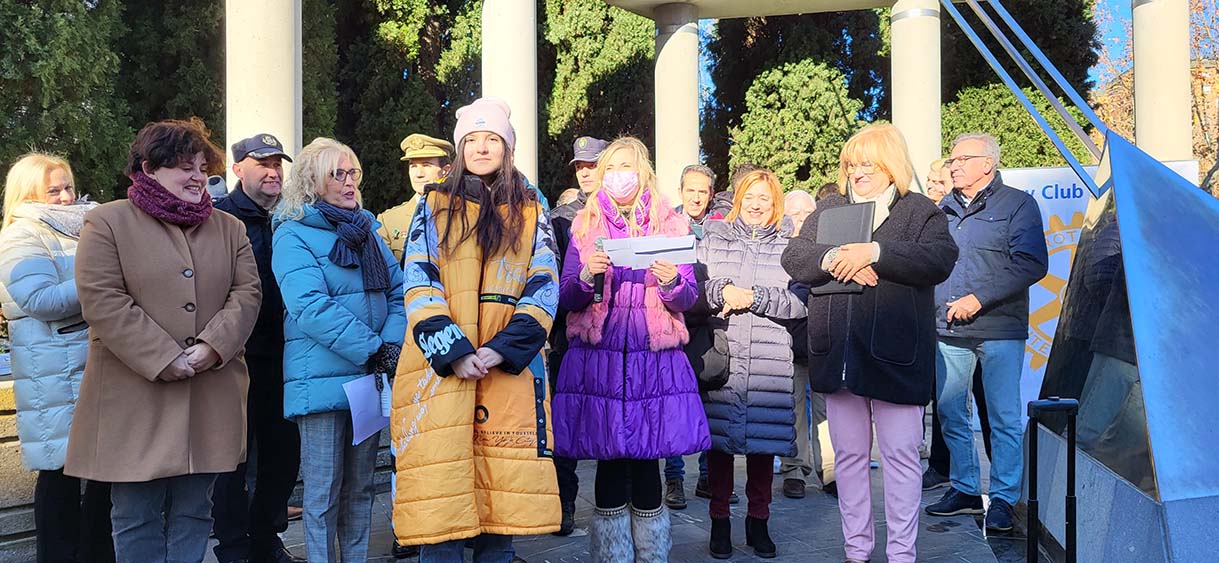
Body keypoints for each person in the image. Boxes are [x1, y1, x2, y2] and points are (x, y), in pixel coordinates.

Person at [66, 118, 262, 563]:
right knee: (135, 515)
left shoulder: (230, 228)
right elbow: (102, 298)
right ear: (148, 168)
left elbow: (248, 294)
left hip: (210, 390)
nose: (197, 176)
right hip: (134, 395)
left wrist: (213, 347)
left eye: (201, 166)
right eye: (183, 167)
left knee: (197, 511)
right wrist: (162, 357)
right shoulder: (107, 222)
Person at [390, 97, 560, 563]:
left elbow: (544, 284)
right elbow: (419, 279)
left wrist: (503, 350)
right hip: (440, 372)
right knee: (439, 510)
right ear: (461, 146)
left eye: (493, 139)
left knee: (498, 512)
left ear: (507, 148)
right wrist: (454, 350)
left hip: (506, 374)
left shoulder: (532, 210)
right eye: (473, 139)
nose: (482, 148)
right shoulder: (434, 203)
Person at [781, 123, 958, 563]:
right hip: (838, 355)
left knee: (900, 456)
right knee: (848, 459)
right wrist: (834, 258)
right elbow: (795, 256)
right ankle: (856, 551)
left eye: (867, 164)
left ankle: (901, 554)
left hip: (896, 357)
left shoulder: (920, 212)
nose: (857, 173)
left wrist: (874, 253)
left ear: (890, 165)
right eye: (851, 164)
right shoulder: (829, 209)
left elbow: (940, 258)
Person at [553, 136, 711, 562]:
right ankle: (612, 554)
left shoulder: (671, 226)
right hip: (599, 360)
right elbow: (567, 297)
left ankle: (651, 552)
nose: (619, 175)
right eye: (611, 168)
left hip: (652, 361)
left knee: (647, 459)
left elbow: (688, 298)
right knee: (607, 459)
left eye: (627, 166)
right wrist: (586, 276)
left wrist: (671, 283)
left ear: (643, 171)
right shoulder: (584, 226)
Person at [272, 137, 406, 562]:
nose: (349, 184)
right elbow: (308, 305)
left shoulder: (367, 230)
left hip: (369, 379)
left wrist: (391, 344)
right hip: (323, 383)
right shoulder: (292, 233)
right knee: (323, 492)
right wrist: (373, 348)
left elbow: (400, 292)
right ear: (313, 181)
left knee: (362, 487)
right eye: (338, 175)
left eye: (353, 174)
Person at [925, 133, 1048, 532]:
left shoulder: (1017, 205)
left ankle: (1003, 498)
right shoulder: (939, 210)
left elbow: (1031, 263)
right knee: (949, 412)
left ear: (987, 164)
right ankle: (963, 488)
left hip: (997, 330)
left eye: (962, 159)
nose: (953, 165)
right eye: (952, 159)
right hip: (946, 331)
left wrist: (979, 299)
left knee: (1003, 418)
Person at [0, 153, 114, 563]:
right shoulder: (20, 236)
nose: (66, 197)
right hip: (54, 372)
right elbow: (39, 299)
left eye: (68, 186)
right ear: (28, 193)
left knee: (103, 479)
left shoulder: (91, 225)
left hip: (96, 364)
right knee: (61, 477)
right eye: (54, 190)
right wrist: (106, 285)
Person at [698, 169, 806, 559]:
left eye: (764, 198)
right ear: (738, 200)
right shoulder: (713, 239)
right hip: (722, 354)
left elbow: (798, 303)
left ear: (774, 203)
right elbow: (695, 287)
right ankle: (720, 522)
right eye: (750, 197)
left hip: (769, 356)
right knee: (720, 447)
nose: (756, 205)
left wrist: (754, 296)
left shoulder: (790, 246)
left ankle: (759, 522)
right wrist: (721, 291)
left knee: (764, 446)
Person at [210, 134, 304, 563]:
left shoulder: (293, 217)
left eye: (277, 164)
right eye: (262, 163)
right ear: (238, 170)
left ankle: (267, 538)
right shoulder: (217, 218)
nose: (272, 172)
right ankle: (232, 547)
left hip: (287, 358)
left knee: (283, 456)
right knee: (232, 459)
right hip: (238, 358)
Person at [546, 134, 608, 535]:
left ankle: (610, 504)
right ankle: (563, 504)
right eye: (580, 167)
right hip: (571, 331)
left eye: (592, 166)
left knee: (609, 419)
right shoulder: (560, 217)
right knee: (565, 422)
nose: (585, 172)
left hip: (617, 330)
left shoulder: (626, 214)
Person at [376, 133, 455, 263]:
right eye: (413, 166)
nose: (418, 174)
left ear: (445, 170)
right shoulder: (388, 221)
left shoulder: (463, 213)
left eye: (426, 165)